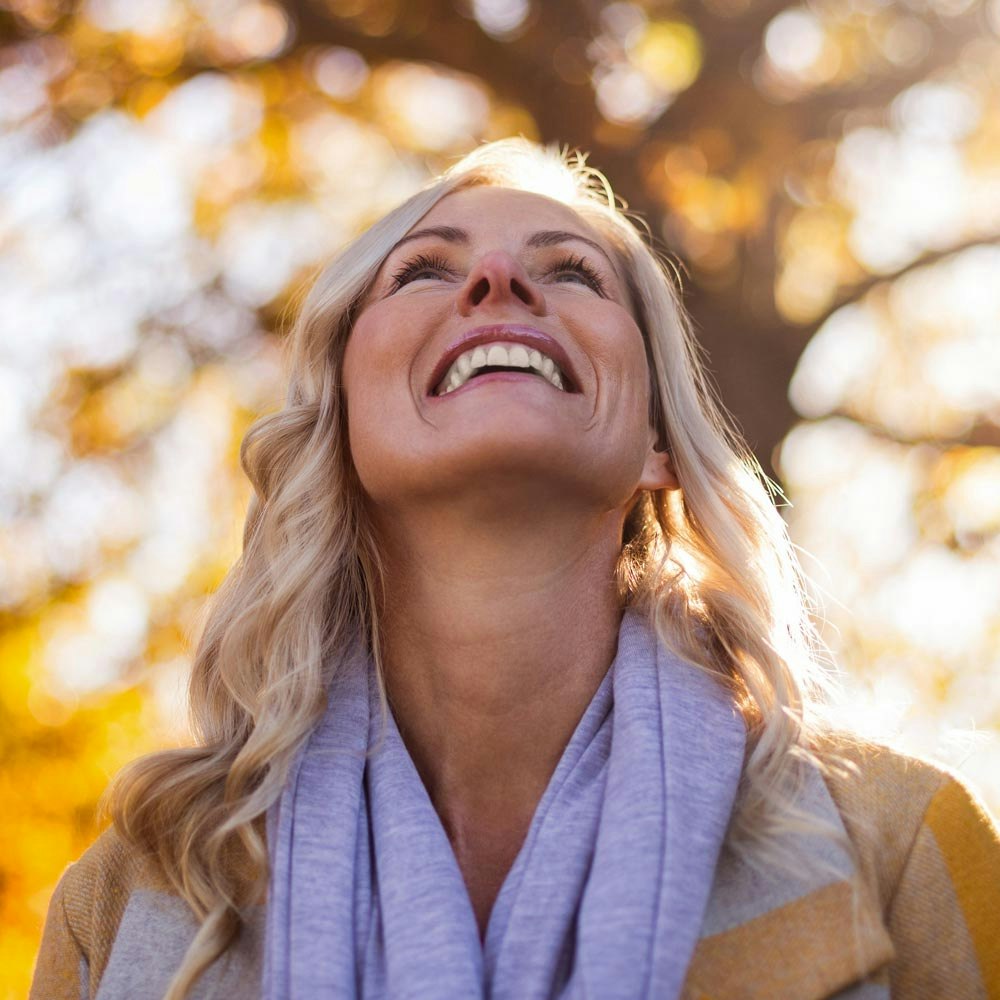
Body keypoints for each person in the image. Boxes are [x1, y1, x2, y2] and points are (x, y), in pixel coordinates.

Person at [31, 139, 1000, 1000]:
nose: (496, 280)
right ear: (340, 426)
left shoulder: (897, 841)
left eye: (572, 270)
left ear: (657, 439)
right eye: (422, 271)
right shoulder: (131, 898)